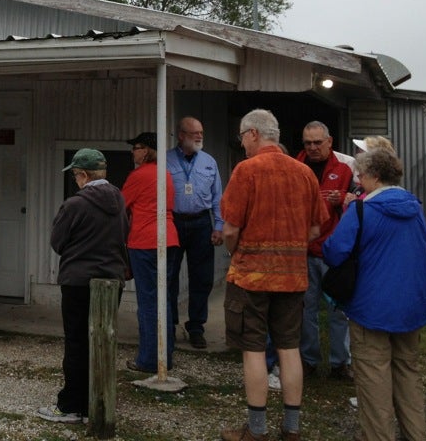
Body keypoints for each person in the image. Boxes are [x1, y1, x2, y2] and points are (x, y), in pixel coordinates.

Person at [220, 109, 327, 441]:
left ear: (253, 134)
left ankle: (256, 431)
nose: (242, 145)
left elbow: (230, 229)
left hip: (251, 276)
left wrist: (235, 251)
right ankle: (291, 429)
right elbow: (314, 227)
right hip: (293, 276)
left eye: (242, 138)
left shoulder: (246, 170)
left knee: (253, 348)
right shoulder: (305, 173)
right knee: (289, 347)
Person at [323, 148, 426, 441]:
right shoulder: (415, 208)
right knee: (408, 375)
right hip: (411, 306)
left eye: (361, 174)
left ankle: (378, 436)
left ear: (374, 176)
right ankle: (415, 434)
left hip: (371, 307)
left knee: (374, 380)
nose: (358, 180)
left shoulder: (362, 209)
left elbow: (334, 252)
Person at [37, 148, 129, 424]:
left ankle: (71, 405)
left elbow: (58, 242)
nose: (75, 179)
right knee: (103, 340)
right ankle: (98, 401)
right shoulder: (119, 199)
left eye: (76, 175)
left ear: (84, 175)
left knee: (77, 343)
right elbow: (125, 233)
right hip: (112, 280)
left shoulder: (74, 204)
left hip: (78, 280)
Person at [296, 120, 354, 379]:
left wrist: (342, 198)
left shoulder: (345, 168)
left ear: (329, 142)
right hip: (303, 251)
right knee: (305, 309)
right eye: (308, 143)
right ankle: (308, 359)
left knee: (338, 311)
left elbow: (360, 201)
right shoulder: (294, 167)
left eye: (318, 142)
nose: (313, 148)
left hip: (333, 252)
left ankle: (340, 363)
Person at [122, 131, 179, 372]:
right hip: (169, 239)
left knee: (147, 301)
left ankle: (148, 360)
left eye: (136, 147)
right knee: (163, 300)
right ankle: (165, 354)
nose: (133, 152)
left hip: (145, 241)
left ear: (145, 150)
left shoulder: (138, 175)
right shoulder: (165, 173)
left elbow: (120, 206)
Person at [166, 116, 223, 349]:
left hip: (201, 223)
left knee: (202, 277)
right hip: (174, 222)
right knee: (169, 275)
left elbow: (218, 197)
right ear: (181, 135)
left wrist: (219, 225)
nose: (199, 137)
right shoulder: (166, 160)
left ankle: (196, 326)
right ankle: (169, 325)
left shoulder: (209, 161)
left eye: (201, 133)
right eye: (194, 133)